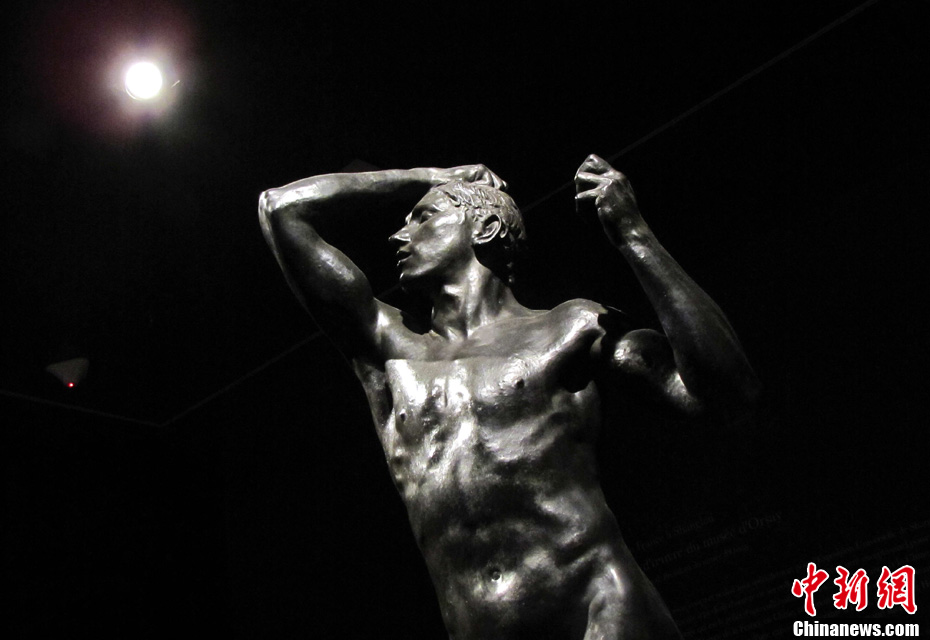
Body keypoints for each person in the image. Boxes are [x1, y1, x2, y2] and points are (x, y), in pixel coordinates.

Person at [258, 155, 759, 640]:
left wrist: (634, 235)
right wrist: (430, 177)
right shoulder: (387, 347)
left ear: (486, 228)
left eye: (423, 217)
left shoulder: (571, 327)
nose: (398, 235)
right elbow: (280, 209)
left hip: (601, 612)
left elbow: (725, 394)